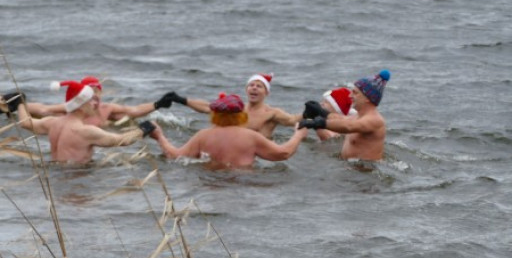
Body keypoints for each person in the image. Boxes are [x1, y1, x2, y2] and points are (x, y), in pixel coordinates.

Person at [10, 79, 156, 164]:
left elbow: (25, 123)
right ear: (79, 105)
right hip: (76, 178)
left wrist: (20, 103)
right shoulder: (86, 131)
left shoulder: (53, 122)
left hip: (55, 175)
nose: (95, 104)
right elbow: (121, 141)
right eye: (90, 101)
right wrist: (143, 130)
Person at [151, 92, 307, 169]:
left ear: (214, 115)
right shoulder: (251, 137)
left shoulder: (203, 136)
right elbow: (283, 153)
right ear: (241, 115)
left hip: (209, 183)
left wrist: (159, 136)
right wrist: (299, 134)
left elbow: (174, 156)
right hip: (243, 182)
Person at [0, 75, 188, 128]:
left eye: (98, 92)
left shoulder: (108, 108)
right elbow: (44, 109)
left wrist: (158, 104)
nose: (95, 97)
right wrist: (13, 106)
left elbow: (134, 110)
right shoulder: (71, 108)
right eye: (92, 93)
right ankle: (7, 108)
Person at [299, 70, 389, 161]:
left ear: (368, 98)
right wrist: (320, 111)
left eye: (355, 93)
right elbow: (342, 119)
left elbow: (348, 126)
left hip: (364, 172)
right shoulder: (358, 116)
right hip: (350, 167)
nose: (350, 96)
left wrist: (319, 123)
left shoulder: (375, 120)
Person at [177, 73, 300, 138]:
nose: (254, 88)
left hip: (259, 154)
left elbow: (292, 120)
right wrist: (181, 100)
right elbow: (208, 107)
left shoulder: (272, 113)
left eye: (259, 86)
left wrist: (309, 112)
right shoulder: (236, 108)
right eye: (251, 85)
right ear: (246, 89)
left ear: (266, 92)